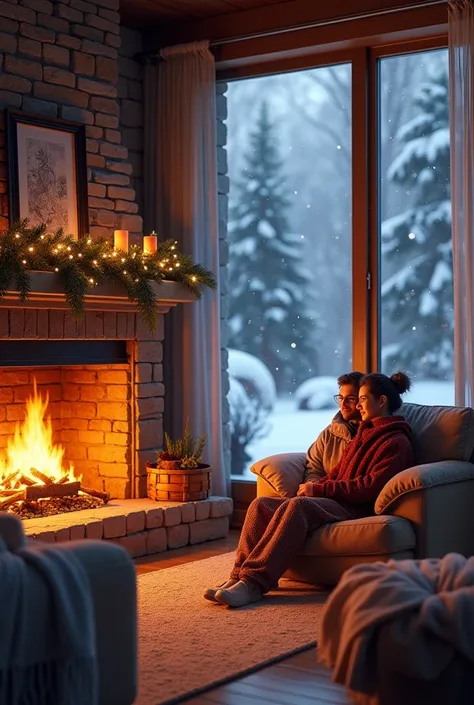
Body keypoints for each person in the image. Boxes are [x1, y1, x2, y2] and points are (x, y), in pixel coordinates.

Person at [204, 371, 414, 608]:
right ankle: (238, 577)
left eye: (362, 399)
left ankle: (254, 583)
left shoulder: (395, 441)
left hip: (357, 507)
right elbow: (338, 473)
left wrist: (321, 491)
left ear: (382, 401)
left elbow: (370, 487)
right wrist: (316, 486)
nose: (358, 405)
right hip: (339, 500)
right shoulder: (365, 433)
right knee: (261, 504)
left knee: (299, 506)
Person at [304, 371, 364, 483]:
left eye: (350, 399)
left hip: (345, 497)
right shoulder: (329, 434)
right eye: (341, 398)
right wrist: (313, 487)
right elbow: (313, 469)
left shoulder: (374, 434)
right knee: (264, 500)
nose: (343, 404)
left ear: (363, 400)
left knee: (298, 502)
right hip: (322, 494)